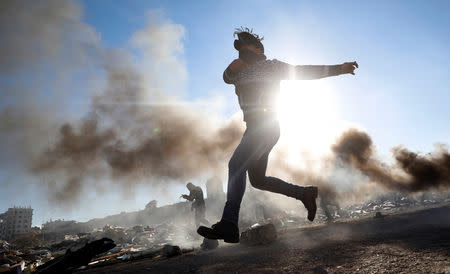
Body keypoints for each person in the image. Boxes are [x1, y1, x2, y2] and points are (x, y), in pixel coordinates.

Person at [198, 28, 358, 243]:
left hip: (266, 126)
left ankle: (229, 223)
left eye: (245, 46)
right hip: (255, 128)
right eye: (239, 48)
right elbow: (226, 78)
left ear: (258, 48)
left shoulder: (271, 66)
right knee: (258, 179)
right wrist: (231, 68)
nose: (241, 52)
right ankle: (304, 194)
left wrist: (339, 68)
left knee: (236, 165)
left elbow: (303, 72)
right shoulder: (239, 72)